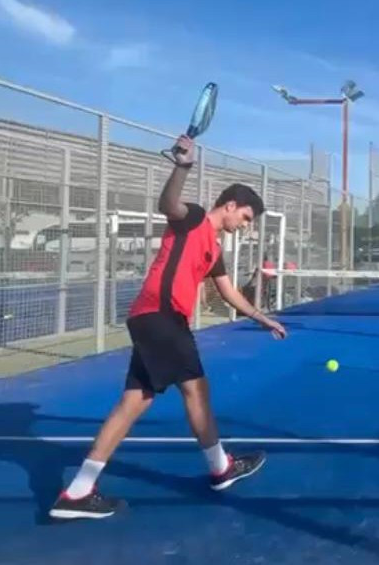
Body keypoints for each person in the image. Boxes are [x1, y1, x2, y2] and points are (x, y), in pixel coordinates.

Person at [49, 135, 287, 520]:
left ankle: (77, 492)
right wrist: (183, 166)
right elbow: (168, 204)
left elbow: (228, 292)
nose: (244, 226)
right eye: (245, 218)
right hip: (161, 316)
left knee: (133, 402)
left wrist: (264, 318)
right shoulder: (193, 218)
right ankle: (220, 468)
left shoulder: (213, 248)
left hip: (153, 319)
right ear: (230, 205)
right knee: (196, 389)